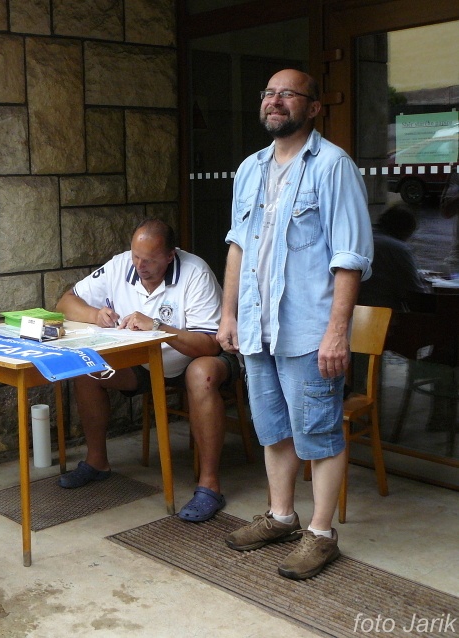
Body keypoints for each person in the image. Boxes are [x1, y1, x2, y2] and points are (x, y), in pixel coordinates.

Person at [218, 68, 373, 580]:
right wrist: (229, 313)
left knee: (319, 433)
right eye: (269, 93)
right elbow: (238, 246)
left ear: (314, 107)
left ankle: (321, 534)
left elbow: (349, 257)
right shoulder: (249, 169)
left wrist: (337, 332)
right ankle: (282, 516)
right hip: (258, 328)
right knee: (273, 429)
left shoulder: (333, 166)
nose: (275, 100)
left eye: (288, 94)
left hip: (308, 331)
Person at [55, 218, 239, 523]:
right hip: (143, 362)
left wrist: (157, 326)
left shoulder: (195, 273)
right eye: (136, 257)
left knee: (201, 374)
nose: (140, 266)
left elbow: (208, 344)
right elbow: (65, 302)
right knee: (87, 366)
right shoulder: (120, 266)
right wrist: (95, 314)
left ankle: (209, 485)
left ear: (170, 256)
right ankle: (97, 462)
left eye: (150, 260)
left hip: (196, 357)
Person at [358, 203, 428, 312]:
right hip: (381, 313)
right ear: (405, 231)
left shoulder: (358, 238)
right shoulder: (398, 249)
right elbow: (416, 296)